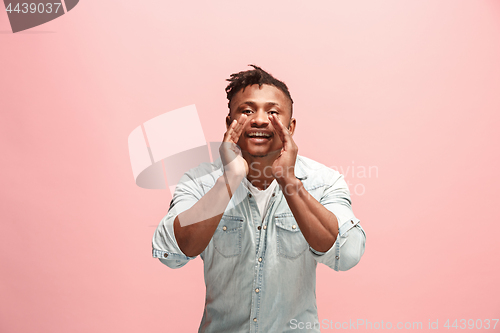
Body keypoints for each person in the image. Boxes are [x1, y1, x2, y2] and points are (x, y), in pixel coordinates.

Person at [152, 65, 366, 332]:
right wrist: (229, 180)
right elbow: (173, 253)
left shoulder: (324, 182)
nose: (260, 120)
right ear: (230, 122)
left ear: (291, 126)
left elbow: (346, 254)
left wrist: (289, 181)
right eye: (247, 111)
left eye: (273, 112)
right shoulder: (199, 182)